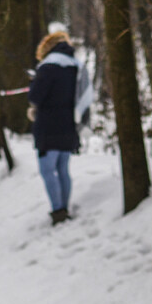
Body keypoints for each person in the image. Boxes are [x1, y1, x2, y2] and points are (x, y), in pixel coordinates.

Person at [27, 30, 92, 226]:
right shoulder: (76, 66)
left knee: (47, 170)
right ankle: (64, 207)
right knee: (63, 169)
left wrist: (33, 84)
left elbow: (35, 97)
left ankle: (58, 210)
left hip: (48, 125)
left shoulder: (47, 67)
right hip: (70, 124)